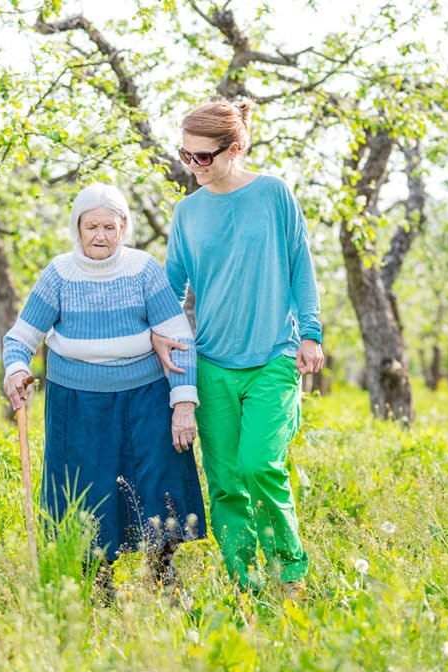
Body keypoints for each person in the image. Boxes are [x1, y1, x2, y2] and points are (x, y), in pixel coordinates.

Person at [2, 182, 206, 602]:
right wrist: (16, 369)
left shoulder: (143, 270)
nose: (100, 236)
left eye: (110, 227)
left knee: (157, 481)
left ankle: (161, 575)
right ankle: (97, 583)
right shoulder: (59, 274)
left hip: (145, 396)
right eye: (91, 226)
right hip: (78, 403)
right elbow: (20, 338)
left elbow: (178, 338)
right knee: (87, 489)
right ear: (77, 228)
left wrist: (183, 402)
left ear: (124, 227)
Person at [155, 97, 324, 594]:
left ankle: (289, 573)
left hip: (273, 356)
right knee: (227, 482)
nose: (193, 165)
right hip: (211, 363)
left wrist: (311, 332)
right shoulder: (187, 213)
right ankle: (243, 582)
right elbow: (170, 290)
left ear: (235, 149)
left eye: (203, 156)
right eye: (185, 154)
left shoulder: (274, 194)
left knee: (259, 465)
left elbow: (300, 265)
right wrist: (155, 335)